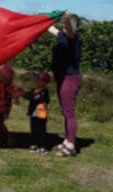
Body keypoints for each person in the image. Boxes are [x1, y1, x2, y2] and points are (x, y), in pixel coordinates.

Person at [48, 11, 82, 157]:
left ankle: (71, 144)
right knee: (65, 111)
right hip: (62, 77)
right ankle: (67, 140)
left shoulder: (73, 38)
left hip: (70, 78)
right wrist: (39, 19)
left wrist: (67, 18)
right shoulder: (62, 36)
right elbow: (49, 27)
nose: (63, 24)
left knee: (69, 112)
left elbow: (68, 29)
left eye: (66, 22)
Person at [22, 72, 51, 154]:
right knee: (33, 129)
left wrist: (24, 94)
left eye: (38, 80)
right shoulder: (34, 90)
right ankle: (34, 144)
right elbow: (29, 95)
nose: (36, 81)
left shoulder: (44, 91)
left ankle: (43, 146)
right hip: (33, 113)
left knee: (41, 131)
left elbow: (35, 98)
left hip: (41, 114)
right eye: (36, 80)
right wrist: (22, 93)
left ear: (44, 82)